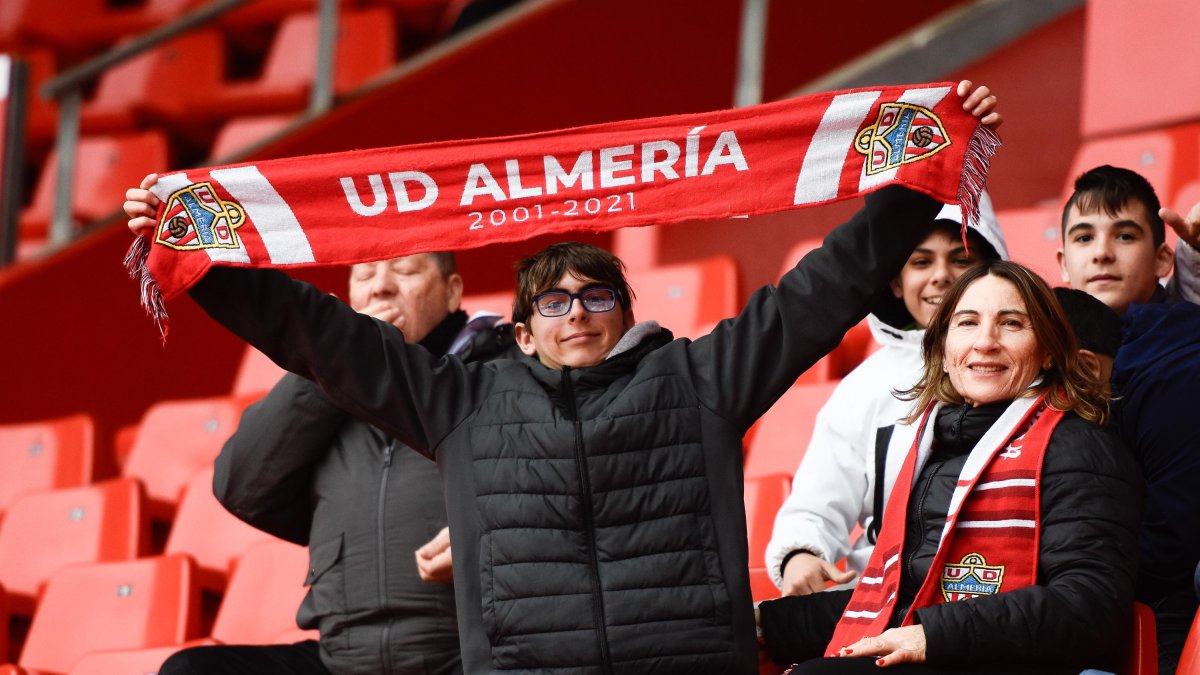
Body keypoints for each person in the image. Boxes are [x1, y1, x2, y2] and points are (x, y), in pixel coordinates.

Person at [127, 81, 1001, 675]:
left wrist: (925, 167)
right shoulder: (462, 402)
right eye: (553, 302)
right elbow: (314, 335)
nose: (576, 311)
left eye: (596, 295)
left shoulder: (700, 379)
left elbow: (829, 286)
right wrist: (201, 257)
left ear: (628, 308)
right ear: (520, 329)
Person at [756, 261, 1142, 675]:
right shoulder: (934, 449)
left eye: (1011, 324)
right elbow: (890, 600)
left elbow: (1089, 607)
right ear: (942, 350)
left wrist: (928, 635)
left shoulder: (1080, 448)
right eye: (967, 323)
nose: (985, 341)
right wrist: (767, 622)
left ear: (1048, 352)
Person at [160, 252, 516, 675]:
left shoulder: (502, 375)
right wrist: (331, 360)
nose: (381, 286)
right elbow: (241, 485)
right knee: (190, 670)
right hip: (343, 663)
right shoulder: (323, 400)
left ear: (454, 291)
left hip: (470, 657)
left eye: (404, 272)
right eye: (364, 274)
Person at [765, 197, 1007, 596]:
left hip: (992, 590)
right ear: (895, 281)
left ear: (993, 271)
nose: (941, 276)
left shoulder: (1023, 368)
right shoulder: (863, 387)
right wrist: (799, 554)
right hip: (880, 597)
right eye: (920, 261)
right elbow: (815, 507)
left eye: (961, 259)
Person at [1057, 165, 1200, 674]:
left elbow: (1172, 537)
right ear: (1062, 261)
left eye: (1125, 234)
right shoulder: (1029, 351)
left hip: (1155, 614)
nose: (1102, 252)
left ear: (1164, 257)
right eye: (1084, 236)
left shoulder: (1184, 352)